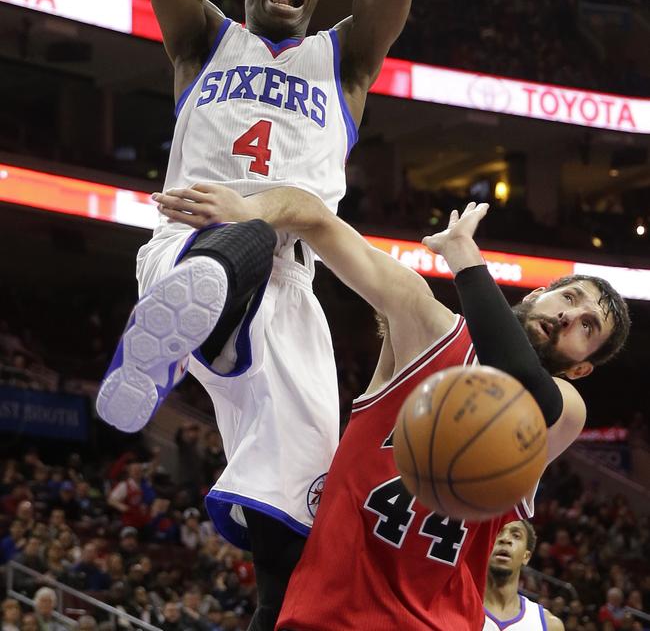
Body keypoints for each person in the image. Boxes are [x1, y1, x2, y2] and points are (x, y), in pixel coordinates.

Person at [97, 0, 424, 631]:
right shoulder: (201, 39)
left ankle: (274, 619)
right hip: (192, 244)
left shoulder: (346, 61)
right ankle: (165, 335)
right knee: (244, 221)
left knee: (300, 522)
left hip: (289, 303)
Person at [154, 182, 630, 629]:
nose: (569, 316)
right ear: (538, 294)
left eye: (587, 328)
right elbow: (316, 218)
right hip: (326, 614)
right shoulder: (426, 325)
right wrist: (252, 214)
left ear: (581, 368)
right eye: (568, 298)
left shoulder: (565, 407)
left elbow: (518, 375)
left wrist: (465, 258)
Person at [483, 519, 564, 631]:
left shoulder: (549, 624)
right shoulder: (457, 607)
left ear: (526, 557)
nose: (505, 539)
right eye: (497, 532)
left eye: (516, 535)